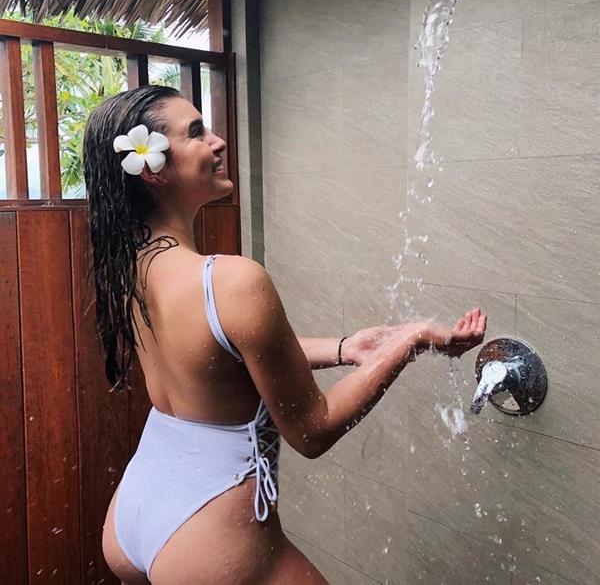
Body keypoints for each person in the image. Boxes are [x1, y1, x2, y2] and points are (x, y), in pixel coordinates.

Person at [83, 85, 487, 585]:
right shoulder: (231, 279)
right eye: (196, 133)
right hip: (210, 528)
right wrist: (410, 340)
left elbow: (220, 354)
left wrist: (344, 349)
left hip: (135, 510)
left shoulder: (129, 269)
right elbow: (312, 431)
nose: (217, 141)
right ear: (153, 168)